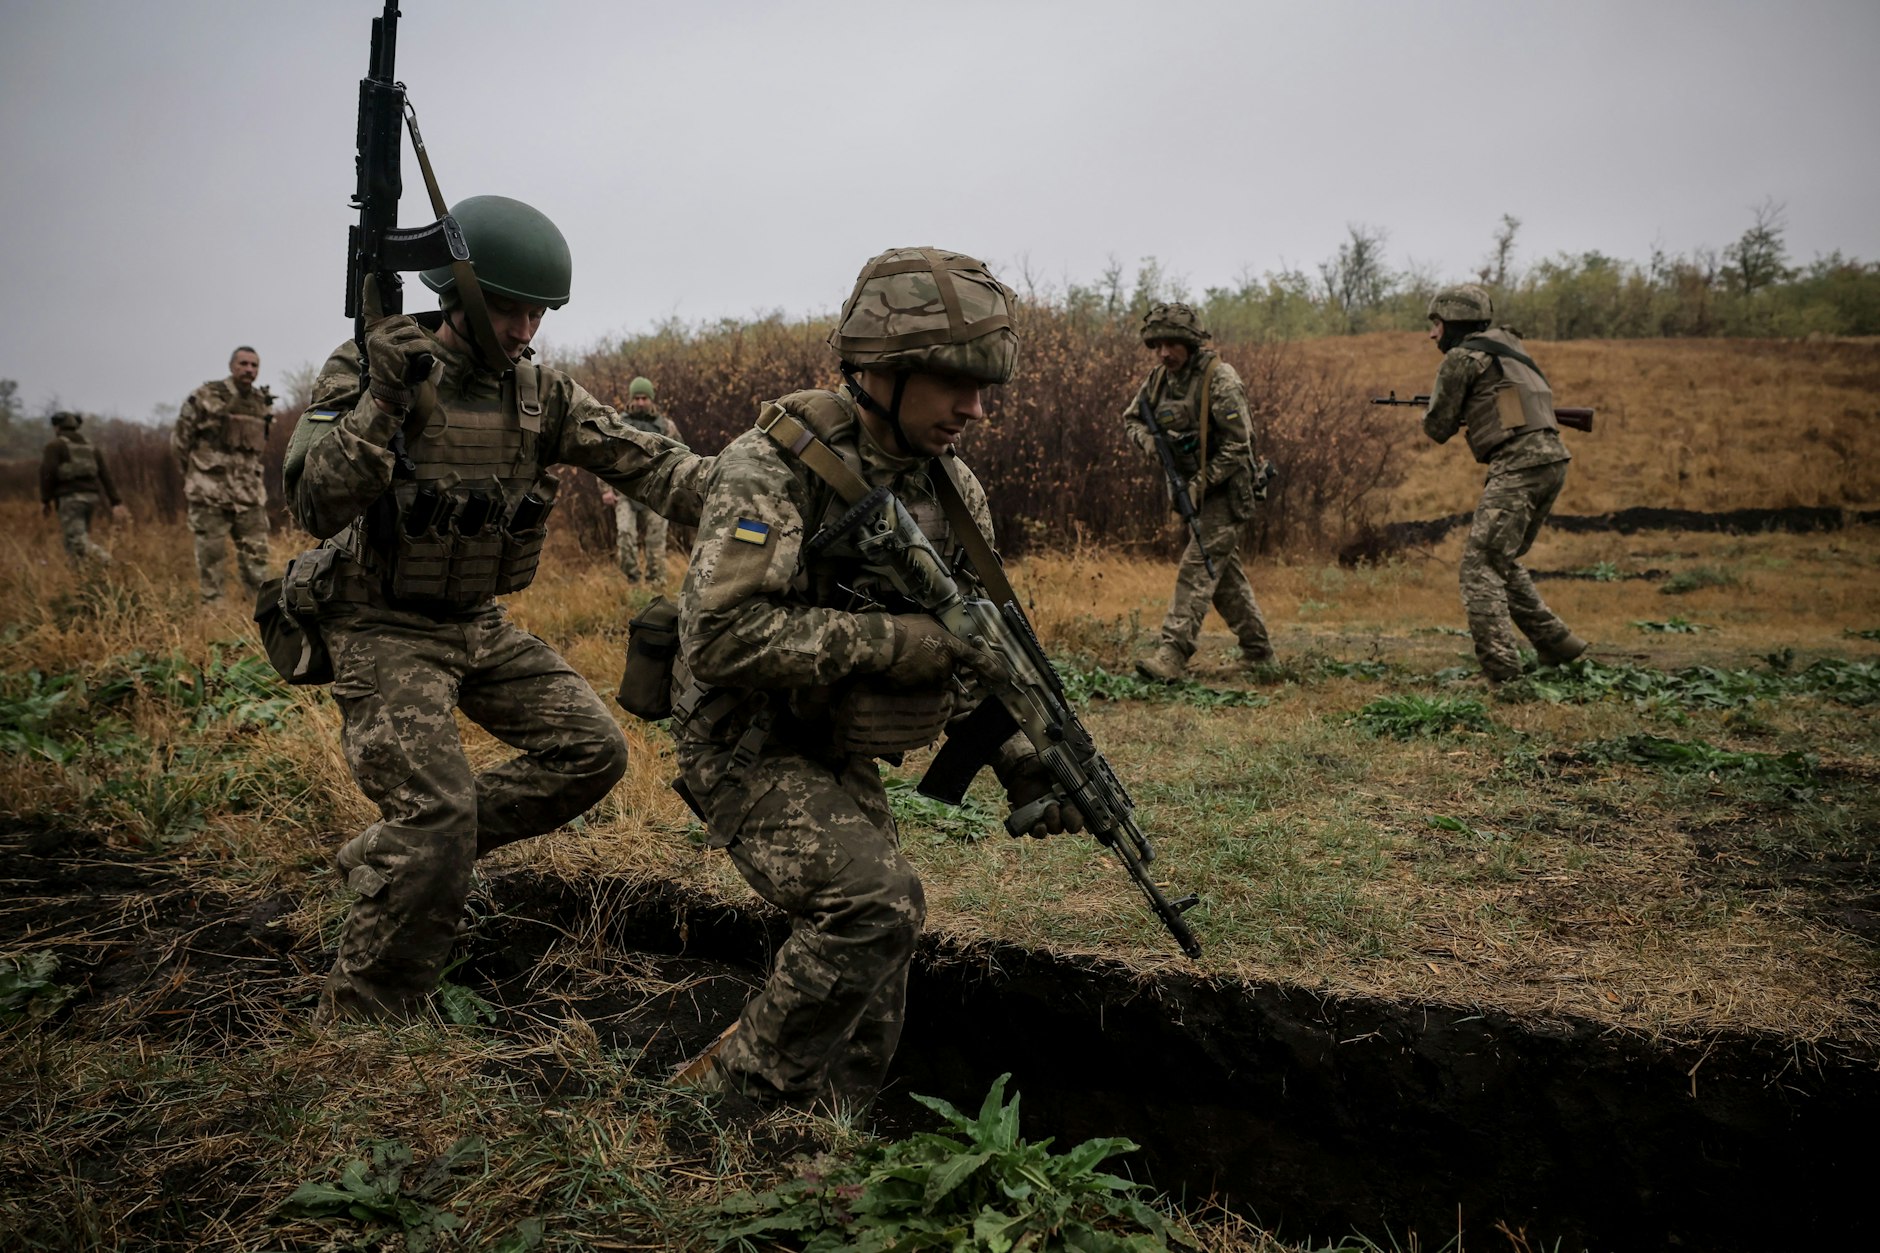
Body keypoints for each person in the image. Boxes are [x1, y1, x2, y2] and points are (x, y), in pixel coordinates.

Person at [669, 247, 1081, 1117]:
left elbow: (969, 646)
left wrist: (1019, 751)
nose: (975, 408)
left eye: (984, 387)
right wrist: (900, 642)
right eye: (952, 382)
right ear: (881, 370)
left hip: (835, 742)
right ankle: (724, 1111)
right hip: (745, 741)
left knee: (887, 933)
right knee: (872, 905)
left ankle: (832, 1130)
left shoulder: (953, 489)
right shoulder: (768, 467)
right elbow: (720, 636)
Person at [282, 194, 711, 1023]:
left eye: (537, 312)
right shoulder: (369, 367)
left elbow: (648, 461)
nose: (524, 329)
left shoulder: (539, 393)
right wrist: (384, 399)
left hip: (476, 623)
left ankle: (398, 855)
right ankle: (367, 1011)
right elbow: (314, 502)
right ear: (457, 295)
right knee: (439, 813)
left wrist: (759, 493)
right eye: (509, 308)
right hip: (381, 624)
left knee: (593, 750)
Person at [1421, 284, 1586, 681]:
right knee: (1500, 560)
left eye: (1437, 324)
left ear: (1455, 323)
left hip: (1519, 468)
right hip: (1551, 461)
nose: (1432, 334)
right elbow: (1509, 406)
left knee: (1478, 569)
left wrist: (1445, 408)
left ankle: (1503, 675)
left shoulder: (1462, 358)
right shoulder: (1508, 351)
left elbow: (1438, 428)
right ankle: (1557, 644)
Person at [1122, 301, 1271, 682]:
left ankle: (1172, 653)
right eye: (1158, 345)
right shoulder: (1158, 381)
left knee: (1196, 568)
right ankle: (1259, 652)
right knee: (1218, 574)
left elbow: (1241, 445)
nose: (1164, 353)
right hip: (1193, 491)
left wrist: (1201, 482)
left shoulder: (1220, 379)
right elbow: (1132, 419)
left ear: (1190, 343)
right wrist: (1153, 445)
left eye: (1172, 344)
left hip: (1227, 491)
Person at [175, 346, 275, 604]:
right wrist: (195, 475)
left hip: (249, 493)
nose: (249, 370)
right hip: (210, 491)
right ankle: (214, 615)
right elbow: (180, 441)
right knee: (211, 557)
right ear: (232, 366)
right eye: (243, 364)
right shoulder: (206, 396)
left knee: (257, 555)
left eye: (254, 365)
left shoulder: (261, 403)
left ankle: (260, 611)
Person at [599, 376, 687, 583]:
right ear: (631, 398)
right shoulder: (618, 424)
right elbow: (603, 456)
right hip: (624, 489)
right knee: (625, 536)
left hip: (656, 489)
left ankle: (656, 583)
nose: (640, 402)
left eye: (644, 398)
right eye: (636, 398)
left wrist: (675, 487)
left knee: (656, 541)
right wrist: (605, 490)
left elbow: (682, 457)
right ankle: (632, 581)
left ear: (651, 399)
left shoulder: (666, 426)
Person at [39, 411, 127, 564]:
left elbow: (48, 473)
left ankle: (109, 562)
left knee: (76, 540)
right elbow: (105, 475)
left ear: (57, 427)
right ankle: (81, 578)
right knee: (73, 540)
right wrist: (115, 501)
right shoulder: (90, 447)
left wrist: (45, 500)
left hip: (70, 498)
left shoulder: (55, 446)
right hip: (91, 498)